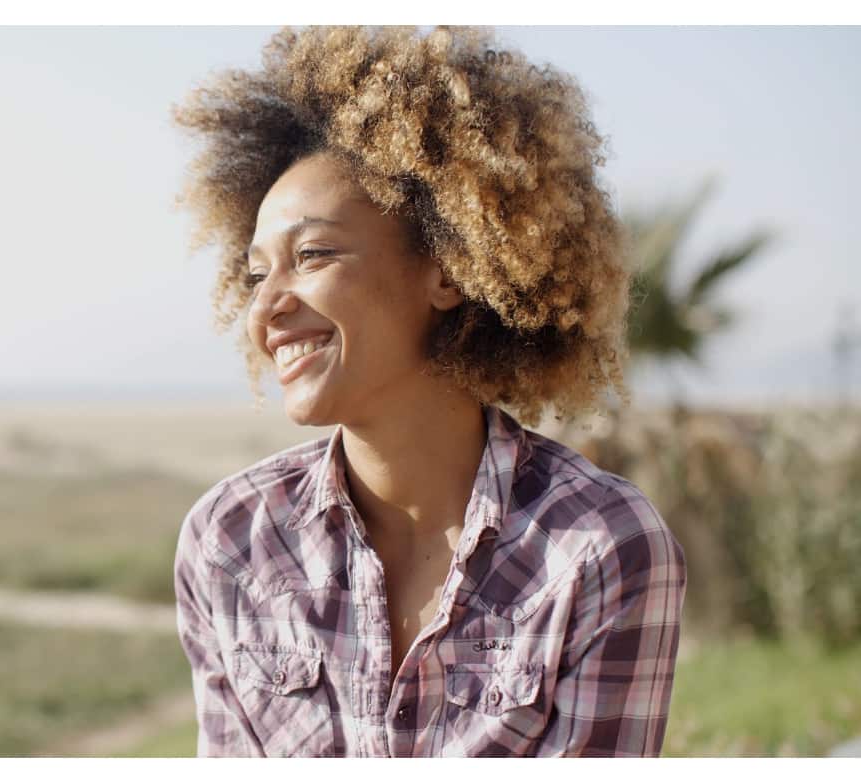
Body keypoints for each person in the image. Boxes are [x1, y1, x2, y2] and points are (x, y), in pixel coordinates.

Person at [170, 26, 687, 758]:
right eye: (257, 275)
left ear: (448, 269)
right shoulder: (230, 542)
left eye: (312, 255)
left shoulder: (598, 549)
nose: (266, 307)